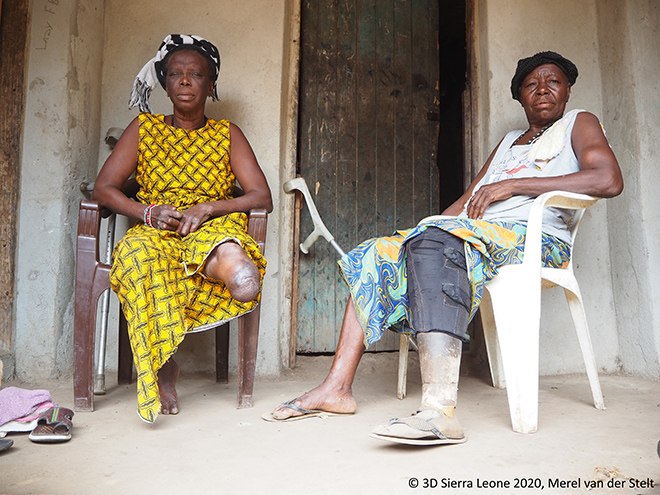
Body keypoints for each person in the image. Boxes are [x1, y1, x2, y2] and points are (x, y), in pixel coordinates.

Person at [266, 51, 623, 445]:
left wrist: (514, 185)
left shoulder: (579, 123)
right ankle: (336, 388)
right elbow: (471, 199)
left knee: (435, 244)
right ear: (519, 96)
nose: (542, 89)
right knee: (379, 251)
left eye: (553, 81)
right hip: (479, 235)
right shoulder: (509, 142)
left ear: (568, 90)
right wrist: (424, 230)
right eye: (531, 84)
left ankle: (439, 412)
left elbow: (607, 180)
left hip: (538, 241)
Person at [93, 34, 273, 423]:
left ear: (211, 85)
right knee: (139, 257)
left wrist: (210, 207)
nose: (186, 81)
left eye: (196, 74)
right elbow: (104, 189)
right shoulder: (143, 129)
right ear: (165, 84)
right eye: (176, 74)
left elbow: (262, 197)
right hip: (156, 227)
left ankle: (225, 261)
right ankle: (163, 368)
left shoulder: (227, 134)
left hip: (210, 227)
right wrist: (147, 212)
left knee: (244, 281)